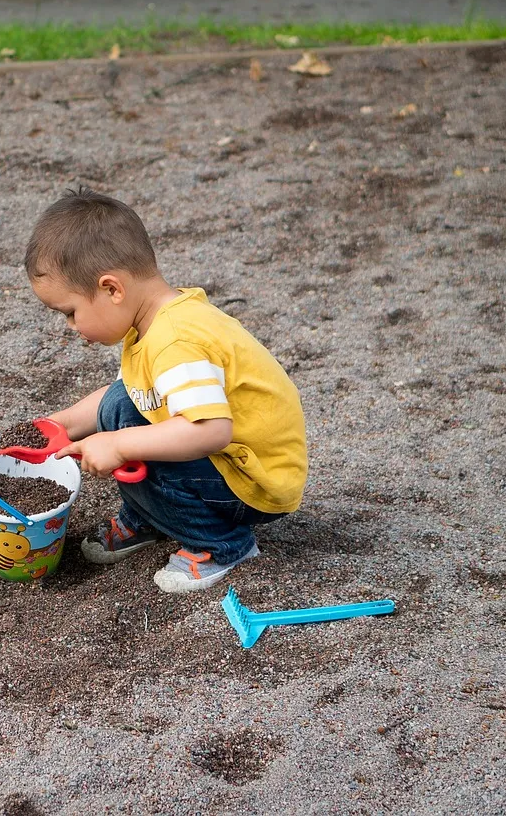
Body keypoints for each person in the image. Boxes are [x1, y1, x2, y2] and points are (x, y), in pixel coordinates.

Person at [25, 187, 307, 593]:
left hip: (253, 482)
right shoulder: (157, 320)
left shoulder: (176, 342)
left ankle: (222, 545)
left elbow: (210, 430)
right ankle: (151, 517)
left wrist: (120, 445)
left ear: (112, 289)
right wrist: (60, 424)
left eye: (71, 313)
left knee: (134, 439)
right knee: (122, 407)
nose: (71, 327)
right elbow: (125, 394)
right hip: (231, 461)